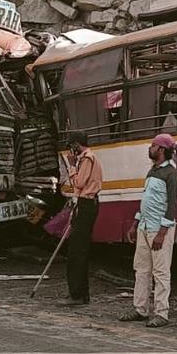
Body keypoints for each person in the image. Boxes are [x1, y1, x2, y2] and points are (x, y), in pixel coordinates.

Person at [120, 133, 177, 328]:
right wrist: (135, 224)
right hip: (145, 228)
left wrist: (162, 233)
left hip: (158, 230)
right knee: (141, 270)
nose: (150, 148)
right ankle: (140, 309)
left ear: (161, 150)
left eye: (153, 146)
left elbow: (172, 207)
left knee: (161, 273)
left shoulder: (171, 174)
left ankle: (161, 313)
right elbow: (145, 201)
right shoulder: (152, 172)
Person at [63, 130, 102, 306]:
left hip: (86, 204)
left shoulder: (87, 158)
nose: (71, 150)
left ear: (77, 144)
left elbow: (79, 183)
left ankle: (77, 294)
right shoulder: (88, 158)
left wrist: (71, 167)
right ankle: (81, 293)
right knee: (79, 250)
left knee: (76, 251)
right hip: (85, 204)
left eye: (72, 146)